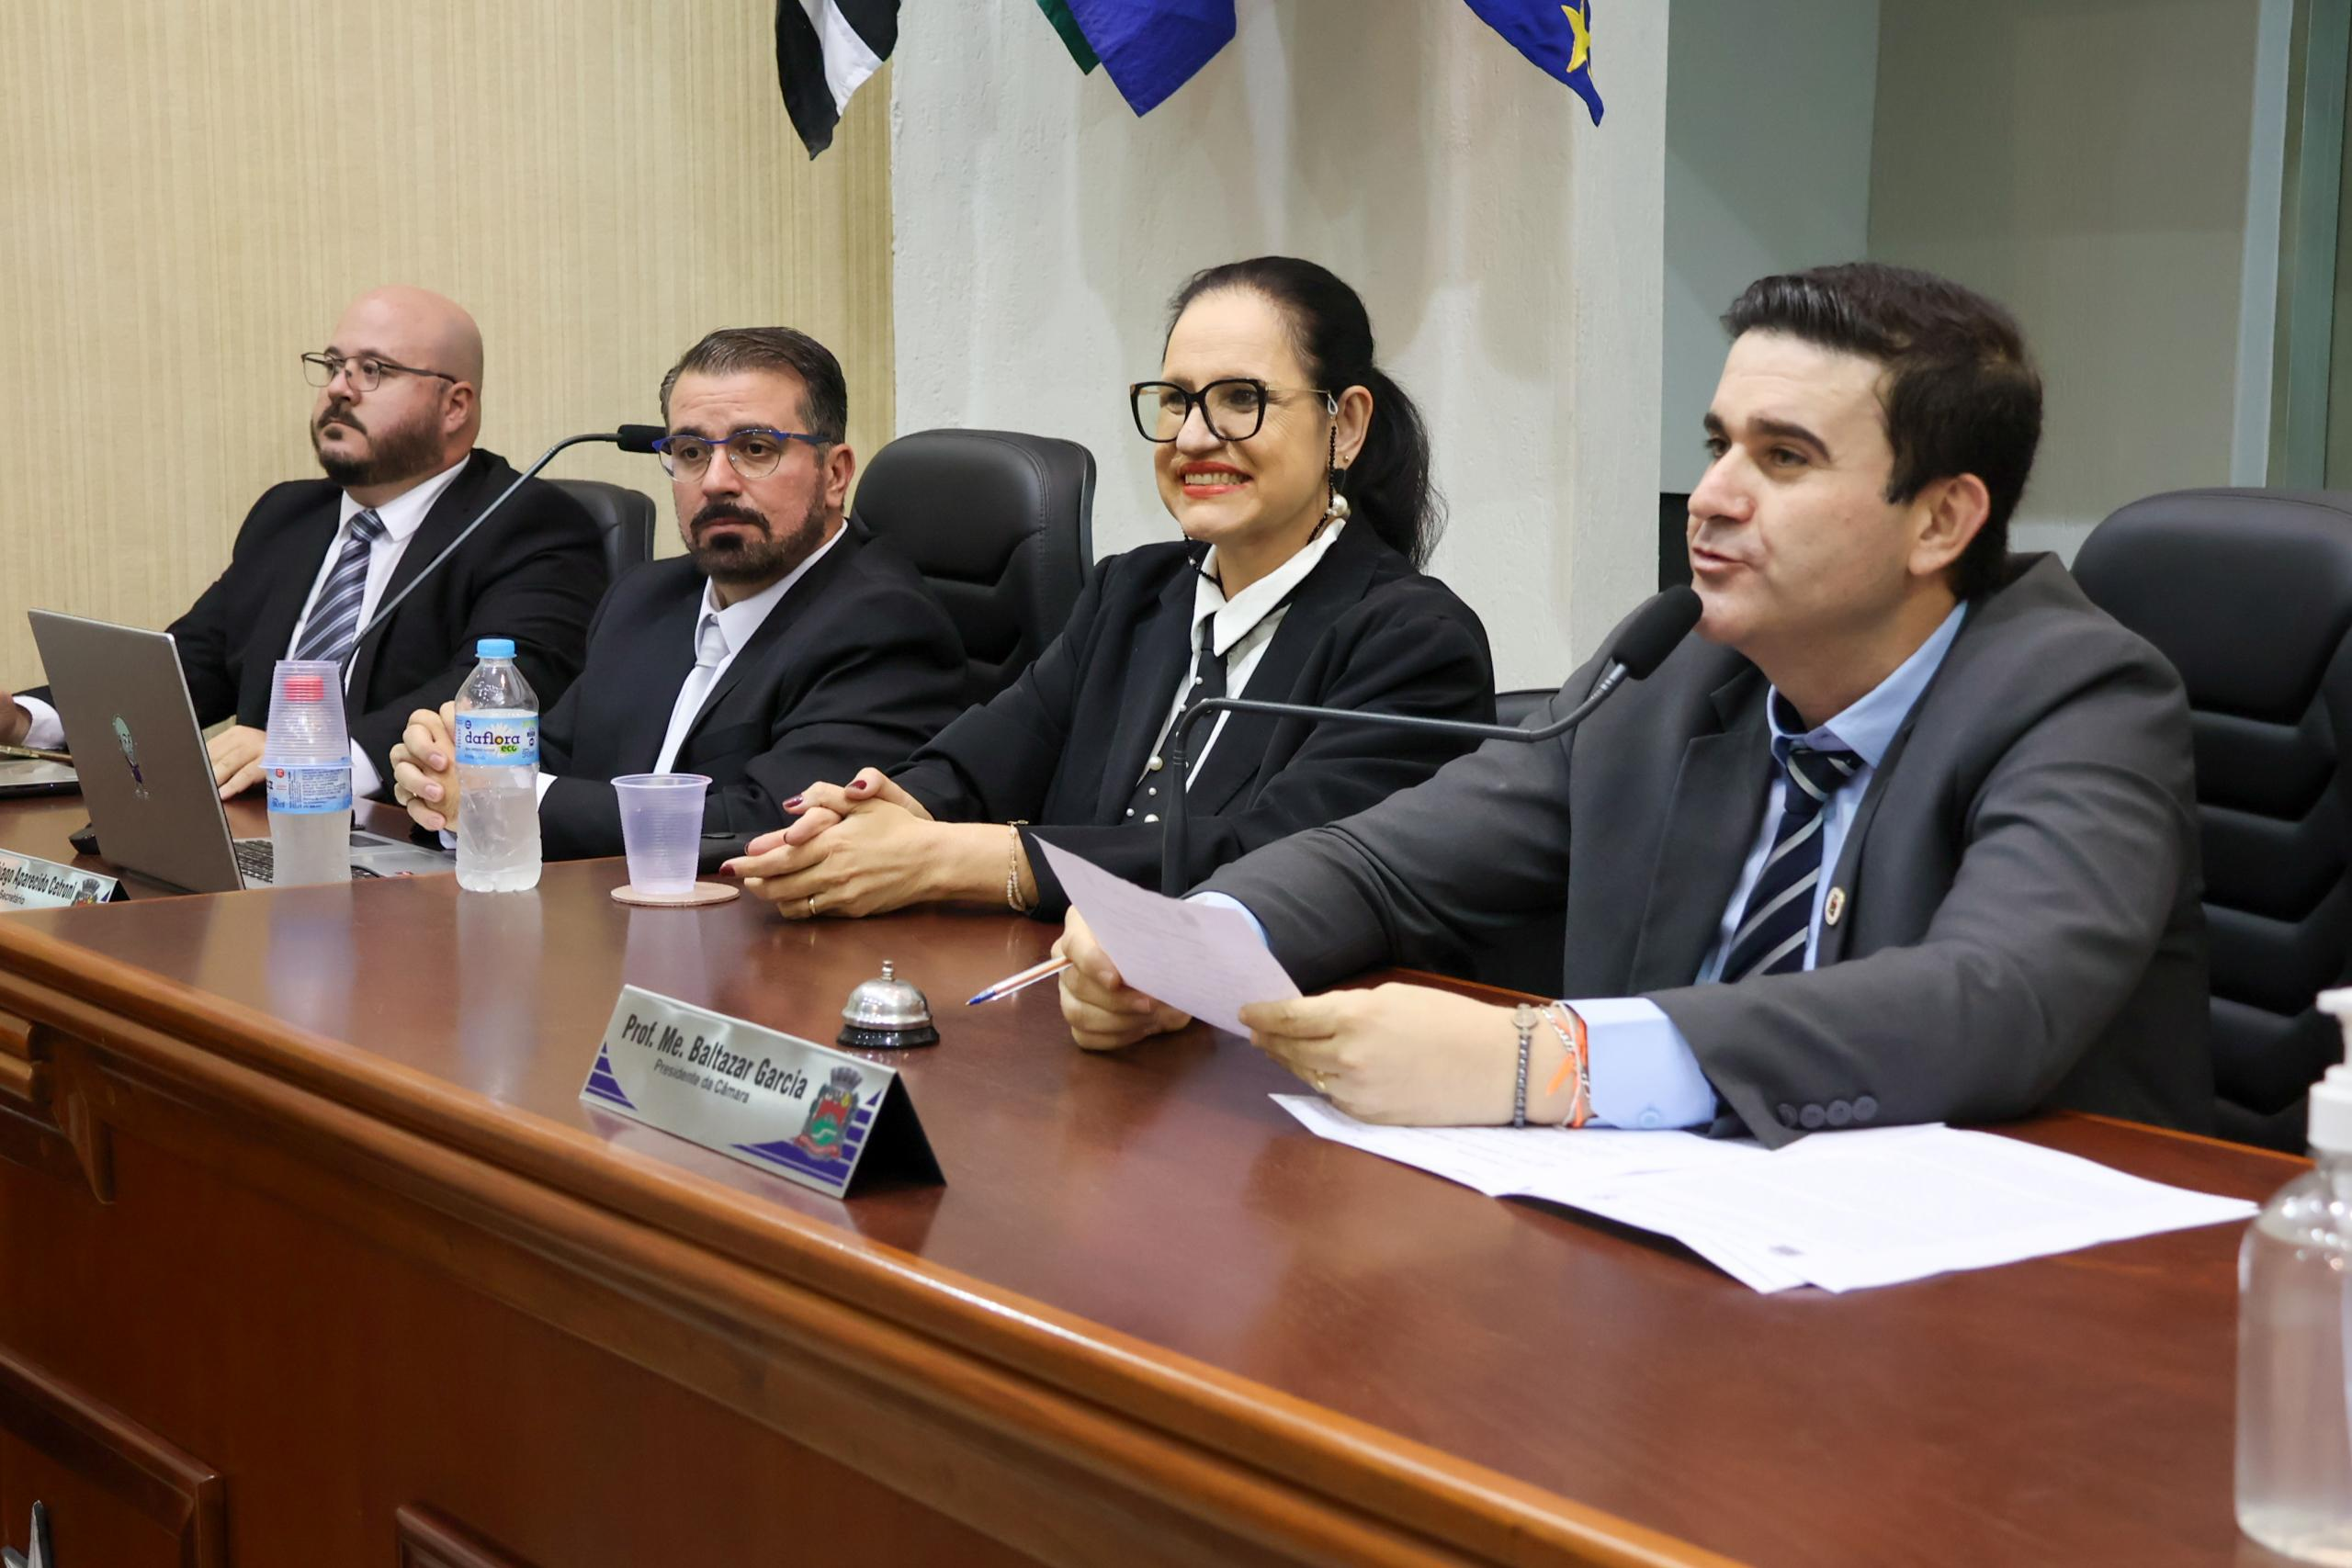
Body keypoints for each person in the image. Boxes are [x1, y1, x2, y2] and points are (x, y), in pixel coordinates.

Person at [1058, 262, 2214, 1147]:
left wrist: (1543, 1062)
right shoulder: (1675, 670)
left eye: (1784, 459)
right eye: (1717, 446)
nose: (1709, 497)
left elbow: (1991, 999)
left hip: (2003, 1292)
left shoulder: (2082, 698)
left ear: (1941, 520)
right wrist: (1197, 948)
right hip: (1673, 1241)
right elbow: (1387, 861)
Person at [722, 257, 1494, 922]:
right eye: (1176, 399)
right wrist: (878, 810)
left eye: (1240, 399)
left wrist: (961, 859)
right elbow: (980, 761)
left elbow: (1272, 861)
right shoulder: (1133, 591)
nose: (1193, 437)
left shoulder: (1415, 643)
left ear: (1345, 424)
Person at [6, 286, 606, 801]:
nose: (340, 389)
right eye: (334, 365)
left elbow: (492, 693)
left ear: (454, 406)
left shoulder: (530, 525)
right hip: (258, 830)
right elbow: (192, 666)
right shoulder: (288, 516)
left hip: (409, 841)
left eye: (373, 370)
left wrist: (311, 756)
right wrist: (25, 719)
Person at [389, 327, 964, 864]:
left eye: (755, 449)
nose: (715, 481)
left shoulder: (884, 625)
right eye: (691, 452)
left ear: (835, 474)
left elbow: (776, 825)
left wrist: (497, 798)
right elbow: (553, 763)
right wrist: (445, 774)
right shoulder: (645, 596)